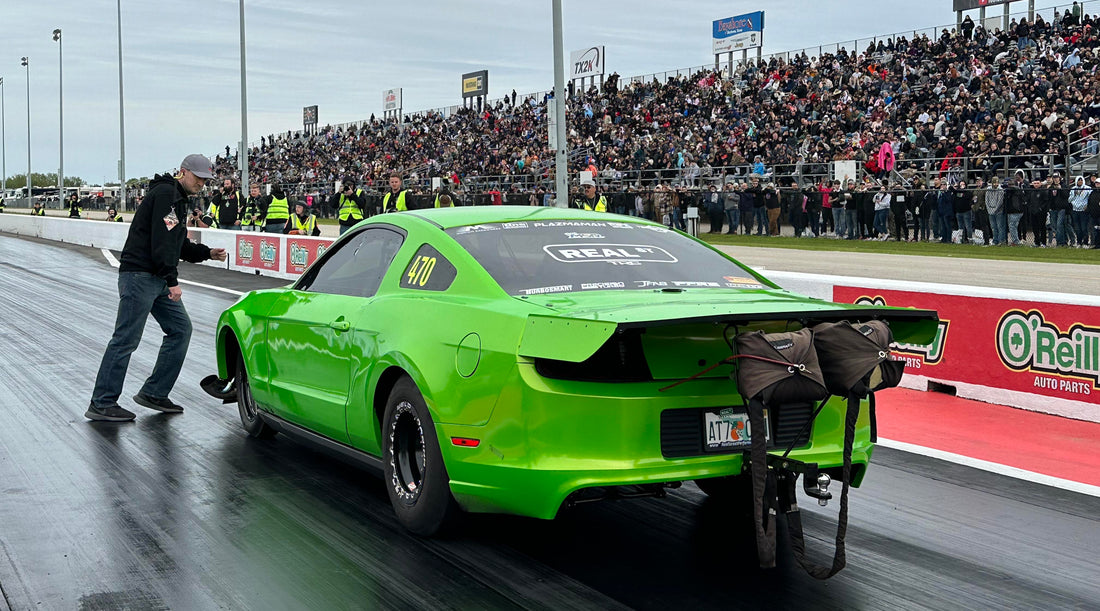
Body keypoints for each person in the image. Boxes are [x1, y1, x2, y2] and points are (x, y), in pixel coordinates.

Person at [86, 154, 228, 422]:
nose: (202, 184)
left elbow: (177, 244)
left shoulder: (177, 199)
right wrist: (172, 280)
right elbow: (162, 243)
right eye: (198, 178)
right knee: (126, 339)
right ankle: (102, 402)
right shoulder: (166, 195)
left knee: (180, 329)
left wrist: (208, 252)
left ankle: (154, 392)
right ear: (183, 172)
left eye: (206, 180)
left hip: (155, 277)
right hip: (141, 276)